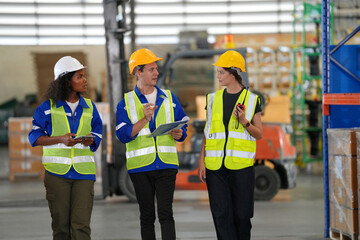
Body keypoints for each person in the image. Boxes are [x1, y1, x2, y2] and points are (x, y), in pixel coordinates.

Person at [116, 48, 188, 240]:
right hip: (140, 167)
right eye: (151, 69)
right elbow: (122, 135)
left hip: (166, 164)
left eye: (156, 69)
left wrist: (180, 133)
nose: (156, 73)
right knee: (147, 216)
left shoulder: (169, 98)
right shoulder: (126, 102)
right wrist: (143, 120)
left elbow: (183, 125)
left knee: (166, 214)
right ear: (137, 72)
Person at [28, 56, 103, 240]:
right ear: (66, 81)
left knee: (81, 227)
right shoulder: (47, 108)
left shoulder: (90, 107)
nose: (85, 80)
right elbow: (34, 137)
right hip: (57, 175)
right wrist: (60, 139)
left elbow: (98, 132)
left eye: (84, 76)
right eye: (79, 77)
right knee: (61, 228)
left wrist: (91, 140)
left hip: (84, 175)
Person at [198, 50, 263, 240]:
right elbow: (207, 133)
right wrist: (201, 161)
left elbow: (258, 134)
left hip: (241, 167)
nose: (218, 76)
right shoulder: (212, 99)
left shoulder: (252, 100)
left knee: (242, 216)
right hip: (215, 167)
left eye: (221, 72)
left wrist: (245, 122)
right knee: (220, 215)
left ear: (233, 73)